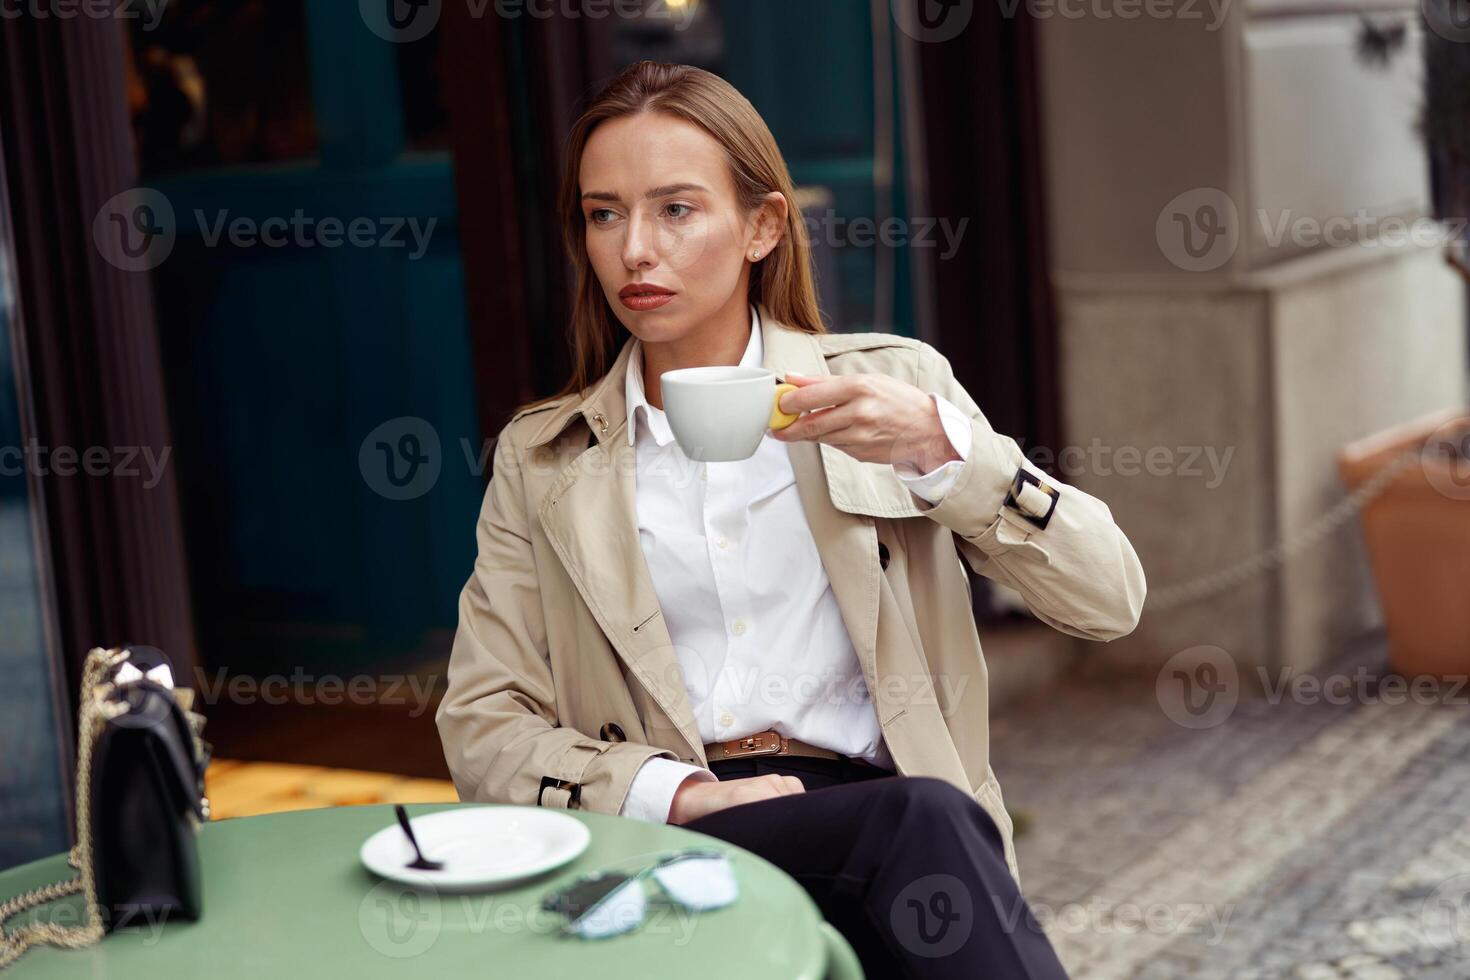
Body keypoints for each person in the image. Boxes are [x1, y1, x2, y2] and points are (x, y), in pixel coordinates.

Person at [436, 60, 1146, 978]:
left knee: (922, 819)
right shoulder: (545, 460)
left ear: (762, 226)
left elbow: (1111, 599)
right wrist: (676, 793)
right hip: (676, 836)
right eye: (604, 214)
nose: (635, 251)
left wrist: (947, 455)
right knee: (923, 823)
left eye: (676, 209)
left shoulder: (896, 389)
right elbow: (483, 725)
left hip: (885, 815)